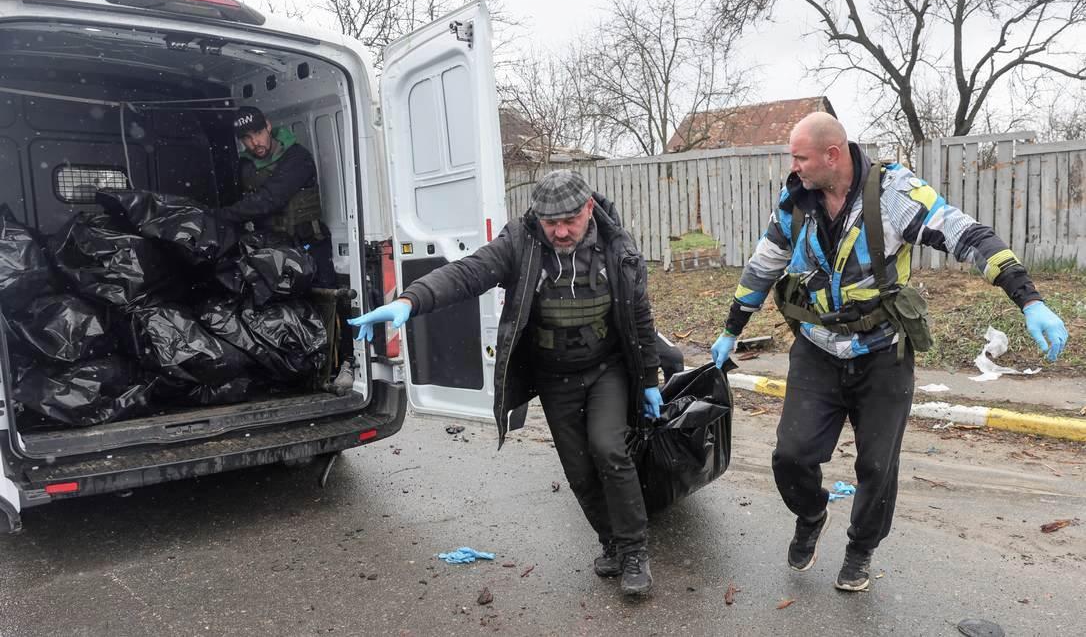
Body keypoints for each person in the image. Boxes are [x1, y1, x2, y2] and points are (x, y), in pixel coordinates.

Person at [711, 112, 1069, 592]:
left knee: (877, 467)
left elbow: (969, 236)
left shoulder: (895, 195)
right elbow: (765, 262)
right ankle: (812, 513)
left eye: (799, 157)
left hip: (882, 353)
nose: (791, 166)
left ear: (832, 155)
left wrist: (1030, 300)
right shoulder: (796, 199)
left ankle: (860, 549)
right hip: (817, 350)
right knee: (790, 456)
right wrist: (732, 328)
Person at [349, 170, 663, 596]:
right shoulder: (522, 241)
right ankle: (610, 541)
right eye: (551, 222)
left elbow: (638, 313)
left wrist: (647, 378)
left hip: (606, 367)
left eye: (569, 220)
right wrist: (411, 300)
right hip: (554, 374)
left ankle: (634, 552)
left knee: (609, 449)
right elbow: (467, 273)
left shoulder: (617, 247)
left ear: (589, 208)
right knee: (578, 470)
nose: (560, 231)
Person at [219, 106, 335, 287]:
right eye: (246, 138)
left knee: (323, 301)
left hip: (308, 245)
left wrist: (220, 215)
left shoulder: (297, 157)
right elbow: (240, 202)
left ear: (268, 126)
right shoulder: (245, 165)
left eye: (258, 133)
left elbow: (270, 198)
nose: (255, 142)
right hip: (271, 249)